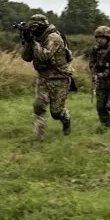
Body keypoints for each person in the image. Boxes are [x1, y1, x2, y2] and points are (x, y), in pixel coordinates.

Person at [20, 13, 74, 141]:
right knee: (39, 106)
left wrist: (33, 42)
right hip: (43, 77)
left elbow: (44, 55)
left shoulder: (54, 37)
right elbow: (26, 57)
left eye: (35, 27)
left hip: (59, 78)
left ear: (42, 26)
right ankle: (39, 138)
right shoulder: (37, 38)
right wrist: (28, 41)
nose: (34, 29)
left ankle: (66, 119)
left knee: (56, 112)